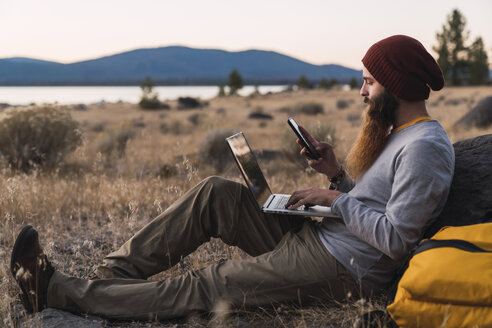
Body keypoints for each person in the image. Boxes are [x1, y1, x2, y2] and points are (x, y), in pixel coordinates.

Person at [11, 35, 454, 320]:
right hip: (321, 240)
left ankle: (56, 293)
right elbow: (376, 207)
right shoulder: (400, 135)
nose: (361, 92)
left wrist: (336, 201)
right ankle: (109, 279)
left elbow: (397, 238)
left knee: (211, 282)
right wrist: (336, 175)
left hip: (343, 269)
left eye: (369, 83)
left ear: (395, 86)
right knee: (214, 195)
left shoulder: (425, 149)